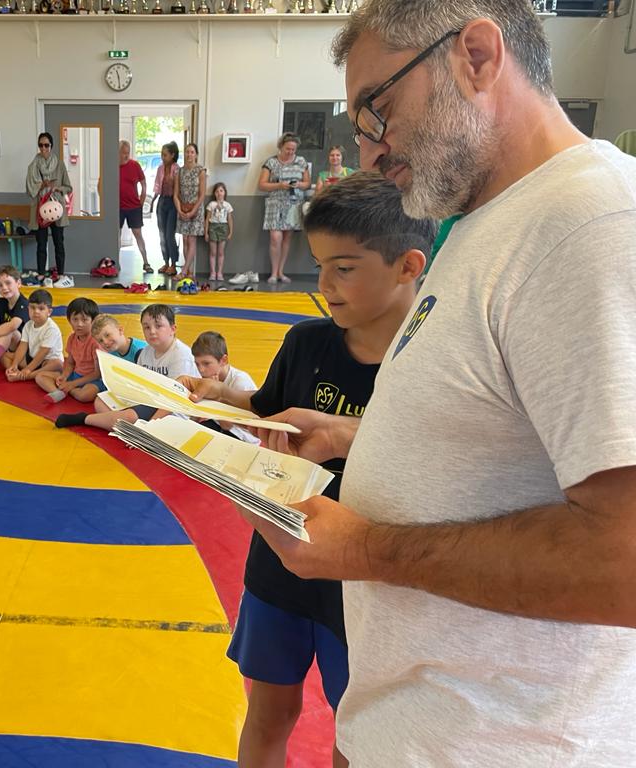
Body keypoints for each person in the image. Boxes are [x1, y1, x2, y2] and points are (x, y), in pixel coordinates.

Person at [240, 2, 636, 766]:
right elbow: (501, 440)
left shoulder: (588, 225)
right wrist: (350, 434)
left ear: (476, 57)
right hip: (416, 725)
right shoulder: (489, 221)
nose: (369, 149)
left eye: (378, 110)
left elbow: (625, 560)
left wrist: (365, 549)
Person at [184, 173, 434, 768]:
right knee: (268, 713)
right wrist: (214, 396)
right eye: (318, 265)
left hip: (368, 582)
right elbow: (267, 408)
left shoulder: (433, 365)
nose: (322, 285)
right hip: (280, 561)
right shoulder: (306, 343)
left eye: (343, 268)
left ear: (407, 266)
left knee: (356, 733)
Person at [55, 304, 197, 430]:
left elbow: (174, 400)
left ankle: (85, 419)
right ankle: (121, 424)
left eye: (158, 326)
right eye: (147, 327)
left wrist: (148, 427)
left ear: (173, 329)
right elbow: (139, 385)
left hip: (174, 407)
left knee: (128, 416)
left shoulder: (180, 356)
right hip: (150, 398)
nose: (152, 331)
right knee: (101, 401)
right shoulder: (146, 352)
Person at [259, 133, 311, 284]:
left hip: (294, 203)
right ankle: (273, 273)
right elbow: (262, 184)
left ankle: (281, 272)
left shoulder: (301, 162)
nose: (290, 152)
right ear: (281, 147)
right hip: (275, 203)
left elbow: (307, 183)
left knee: (287, 238)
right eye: (288, 149)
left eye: (293, 149)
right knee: (275, 238)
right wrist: (279, 185)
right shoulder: (271, 162)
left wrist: (299, 184)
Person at [26, 131, 72, 284]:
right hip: (40, 209)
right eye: (41, 145)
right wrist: (42, 185)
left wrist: (57, 188)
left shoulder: (60, 164)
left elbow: (68, 187)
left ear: (51, 146)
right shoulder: (33, 166)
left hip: (57, 209)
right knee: (41, 243)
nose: (43, 148)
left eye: (46, 145)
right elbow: (29, 190)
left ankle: (61, 274)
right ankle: (41, 273)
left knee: (59, 242)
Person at [36, 297, 101, 403]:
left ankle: (65, 391)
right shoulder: (72, 338)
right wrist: (64, 376)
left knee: (85, 395)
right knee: (40, 376)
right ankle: (59, 392)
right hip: (75, 375)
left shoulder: (96, 342)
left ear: (93, 321)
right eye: (75, 319)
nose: (79, 324)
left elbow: (97, 373)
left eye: (84, 320)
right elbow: (70, 363)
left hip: (92, 379)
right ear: (69, 320)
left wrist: (72, 384)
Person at [5, 289, 64, 383]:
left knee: (58, 364)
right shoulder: (28, 325)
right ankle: (15, 372)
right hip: (32, 359)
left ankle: (25, 376)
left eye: (41, 309)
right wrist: (14, 364)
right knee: (4, 356)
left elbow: (43, 353)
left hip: (46, 361)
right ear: (28, 308)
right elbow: (22, 346)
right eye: (32, 307)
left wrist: (28, 369)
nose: (36, 311)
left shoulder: (51, 328)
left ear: (49, 312)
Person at [119, 140, 153, 275]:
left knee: (138, 234)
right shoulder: (112, 165)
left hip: (134, 206)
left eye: (128, 153)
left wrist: (142, 199)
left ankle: (146, 262)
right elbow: (101, 183)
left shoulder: (135, 165)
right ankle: (115, 263)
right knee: (116, 235)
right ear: (118, 153)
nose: (126, 156)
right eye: (124, 153)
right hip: (118, 207)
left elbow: (144, 183)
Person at [174, 143, 206, 280]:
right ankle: (189, 271)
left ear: (196, 155)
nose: (189, 155)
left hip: (196, 209)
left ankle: (184, 271)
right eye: (187, 152)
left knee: (191, 239)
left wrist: (193, 211)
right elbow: (175, 194)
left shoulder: (201, 171)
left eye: (192, 152)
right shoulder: (179, 172)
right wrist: (179, 210)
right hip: (183, 208)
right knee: (185, 239)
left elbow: (202, 194)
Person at [154, 141, 182, 277]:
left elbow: (178, 189)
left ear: (172, 155)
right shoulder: (160, 168)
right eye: (161, 154)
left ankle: (173, 264)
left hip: (172, 202)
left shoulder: (177, 169)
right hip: (162, 201)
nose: (162, 157)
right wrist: (153, 201)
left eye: (165, 155)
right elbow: (157, 186)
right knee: (162, 234)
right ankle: (165, 262)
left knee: (170, 235)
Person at [203, 183, 234, 282]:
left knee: (221, 253)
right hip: (213, 228)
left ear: (225, 193)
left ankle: (219, 272)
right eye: (217, 191)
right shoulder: (211, 204)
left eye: (221, 191)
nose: (219, 193)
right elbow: (207, 219)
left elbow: (230, 219)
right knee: (213, 252)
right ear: (214, 194)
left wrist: (230, 232)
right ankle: (212, 272)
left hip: (223, 228)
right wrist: (206, 232)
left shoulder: (227, 205)